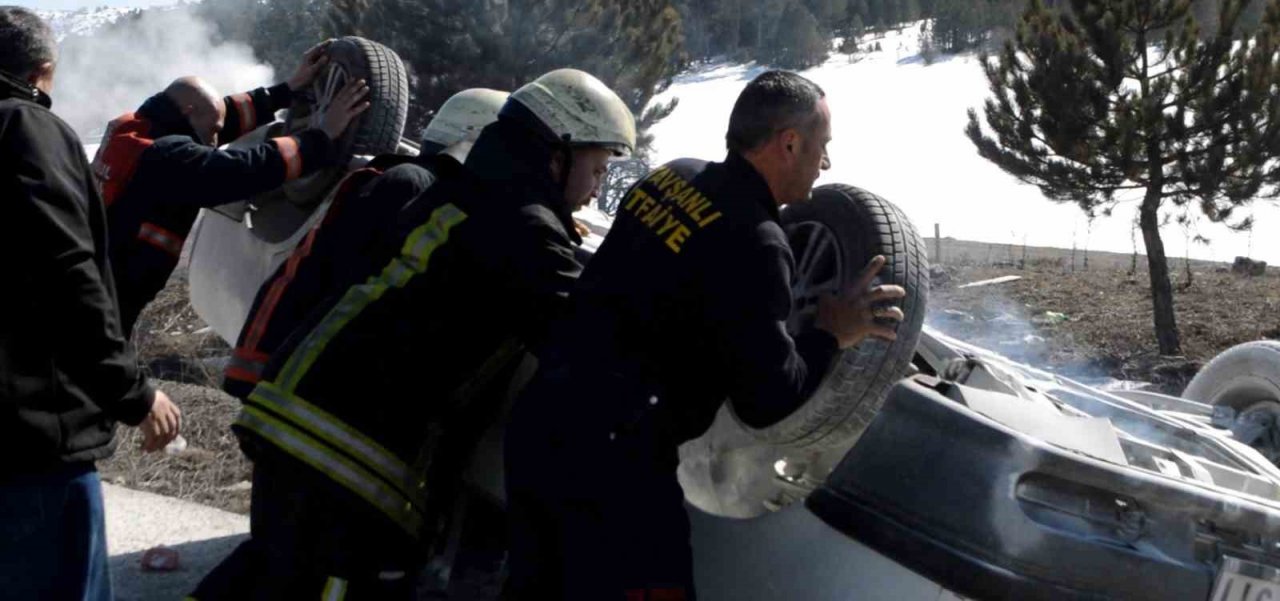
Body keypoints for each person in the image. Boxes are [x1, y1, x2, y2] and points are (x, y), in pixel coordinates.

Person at [193, 69, 634, 600]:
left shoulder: (469, 195)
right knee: (319, 586)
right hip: (345, 446)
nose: (597, 187)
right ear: (557, 153)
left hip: (305, 415)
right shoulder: (525, 228)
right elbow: (596, 335)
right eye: (597, 165)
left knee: (266, 573)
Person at [503, 70, 908, 600]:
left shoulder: (670, 179)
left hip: (541, 424)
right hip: (613, 468)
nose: (825, 165)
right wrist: (831, 333)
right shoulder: (757, 245)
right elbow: (768, 399)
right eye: (821, 147)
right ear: (788, 143)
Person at [0, 7, 181, 600]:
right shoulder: (25, 127)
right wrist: (130, 390)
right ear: (44, 69)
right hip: (32, 450)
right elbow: (65, 272)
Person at [222, 88, 510, 400]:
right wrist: (250, 369)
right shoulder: (406, 185)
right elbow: (309, 271)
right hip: (320, 388)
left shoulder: (445, 201)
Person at [90, 42, 370, 334]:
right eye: (213, 133)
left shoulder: (137, 130)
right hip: (103, 303)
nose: (216, 140)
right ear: (187, 111)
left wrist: (287, 91)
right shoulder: (165, 158)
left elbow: (217, 120)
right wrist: (321, 136)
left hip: (94, 284)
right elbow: (243, 170)